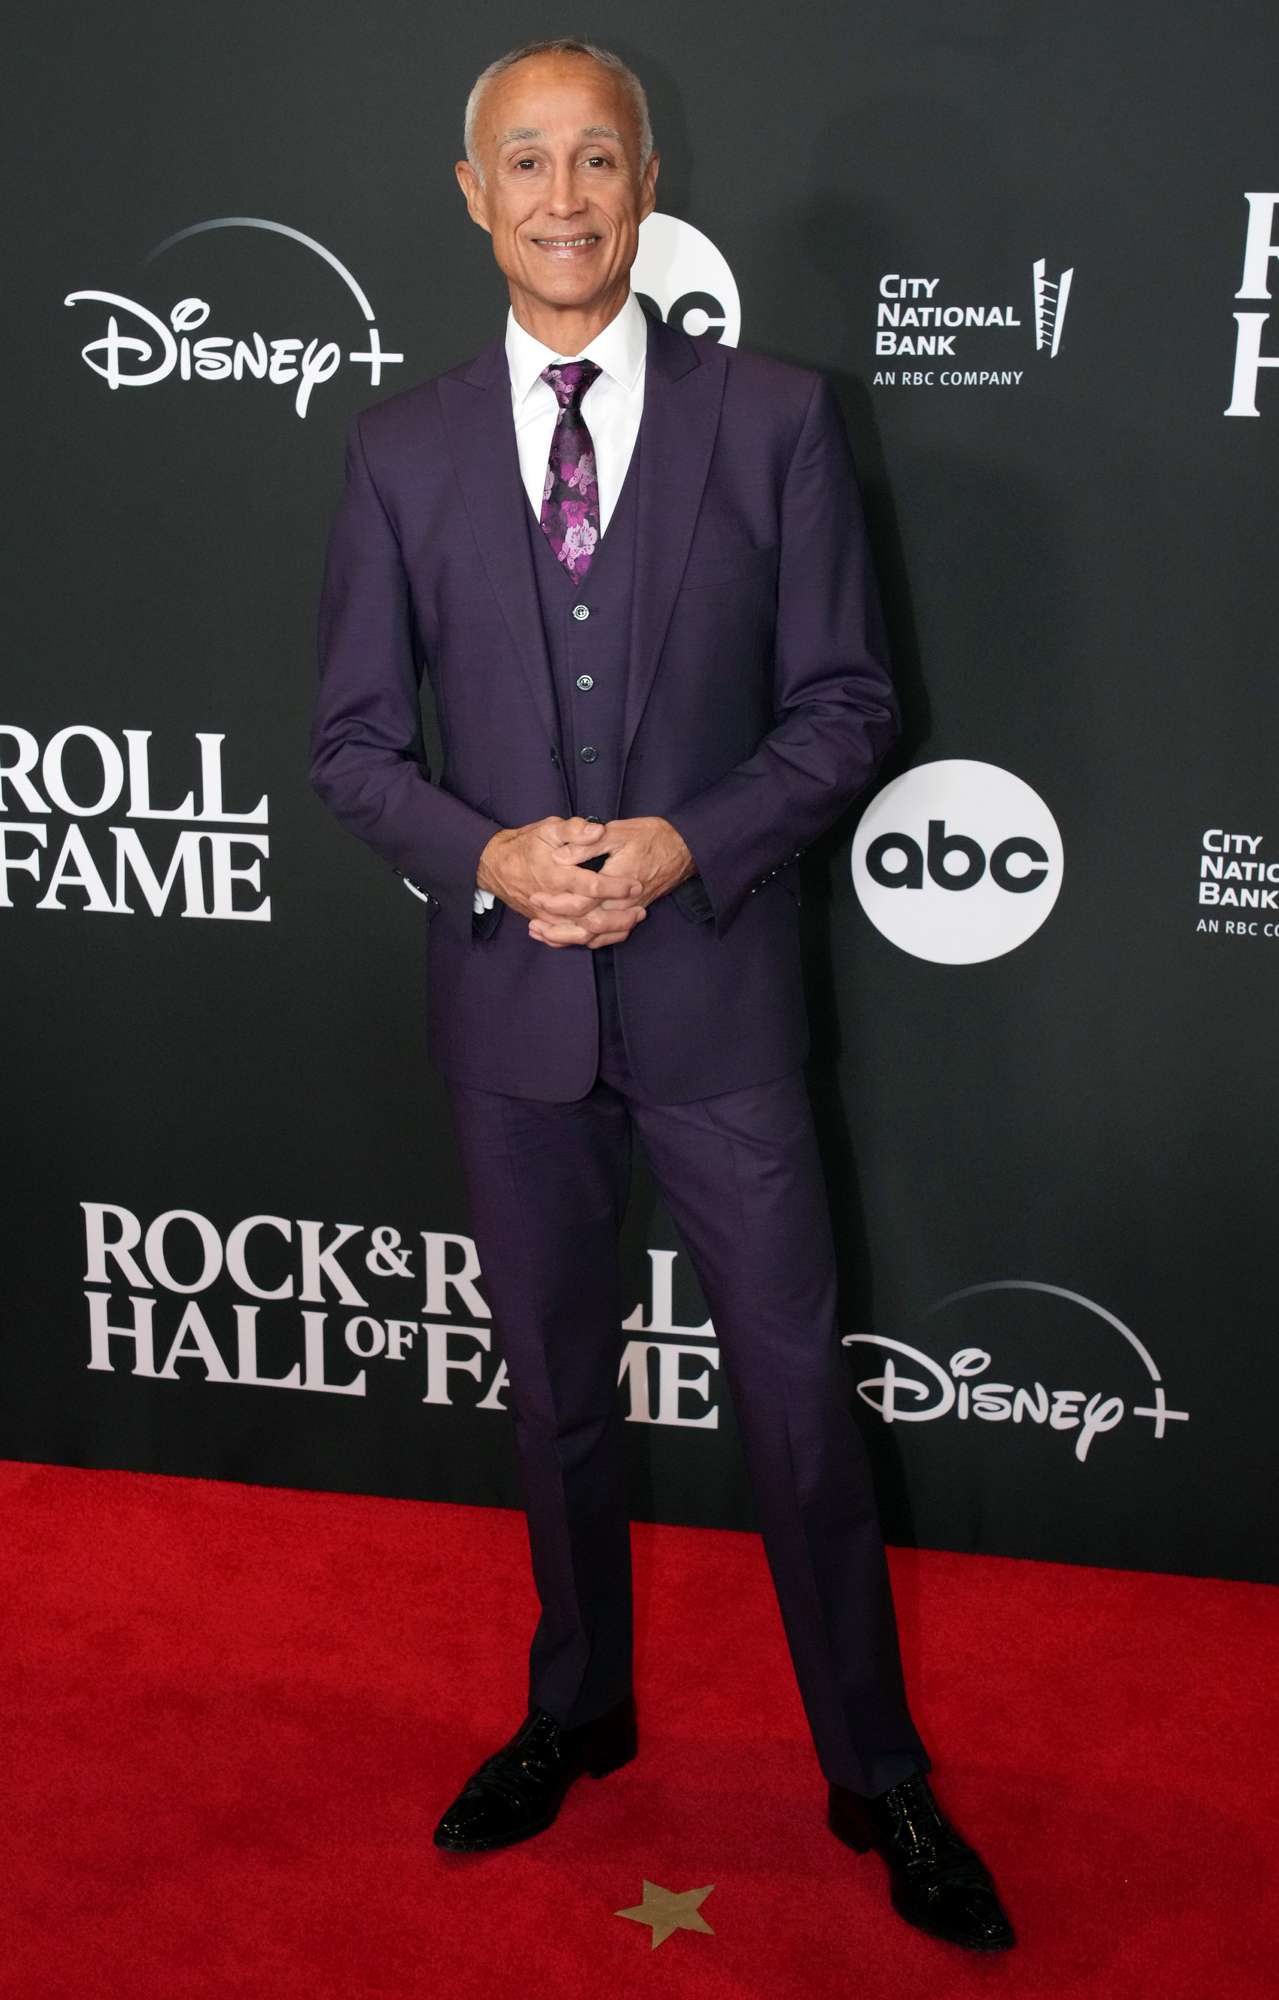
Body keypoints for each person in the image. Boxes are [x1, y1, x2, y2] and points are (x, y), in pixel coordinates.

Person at [309, 36, 1014, 1954]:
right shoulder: (397, 445)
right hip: (508, 1009)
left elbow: (851, 703)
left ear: (643, 184)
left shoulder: (776, 415)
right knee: (553, 1406)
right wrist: (491, 855)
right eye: (522, 162)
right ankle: (576, 1707)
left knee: (796, 1405)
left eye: (593, 159)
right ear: (473, 197)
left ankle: (877, 1776)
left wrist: (688, 842)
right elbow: (357, 747)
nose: (559, 197)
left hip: (717, 1006)